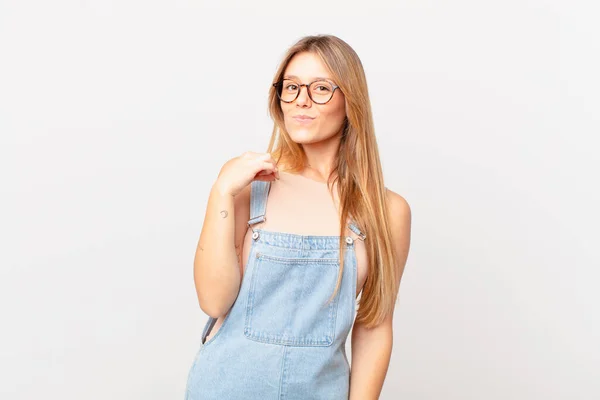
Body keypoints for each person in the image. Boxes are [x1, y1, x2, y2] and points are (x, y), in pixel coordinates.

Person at [185, 34, 412, 400]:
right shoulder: (248, 185)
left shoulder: (387, 212)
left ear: (350, 101)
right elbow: (213, 301)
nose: (301, 100)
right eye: (291, 87)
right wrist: (222, 192)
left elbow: (374, 326)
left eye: (320, 88)